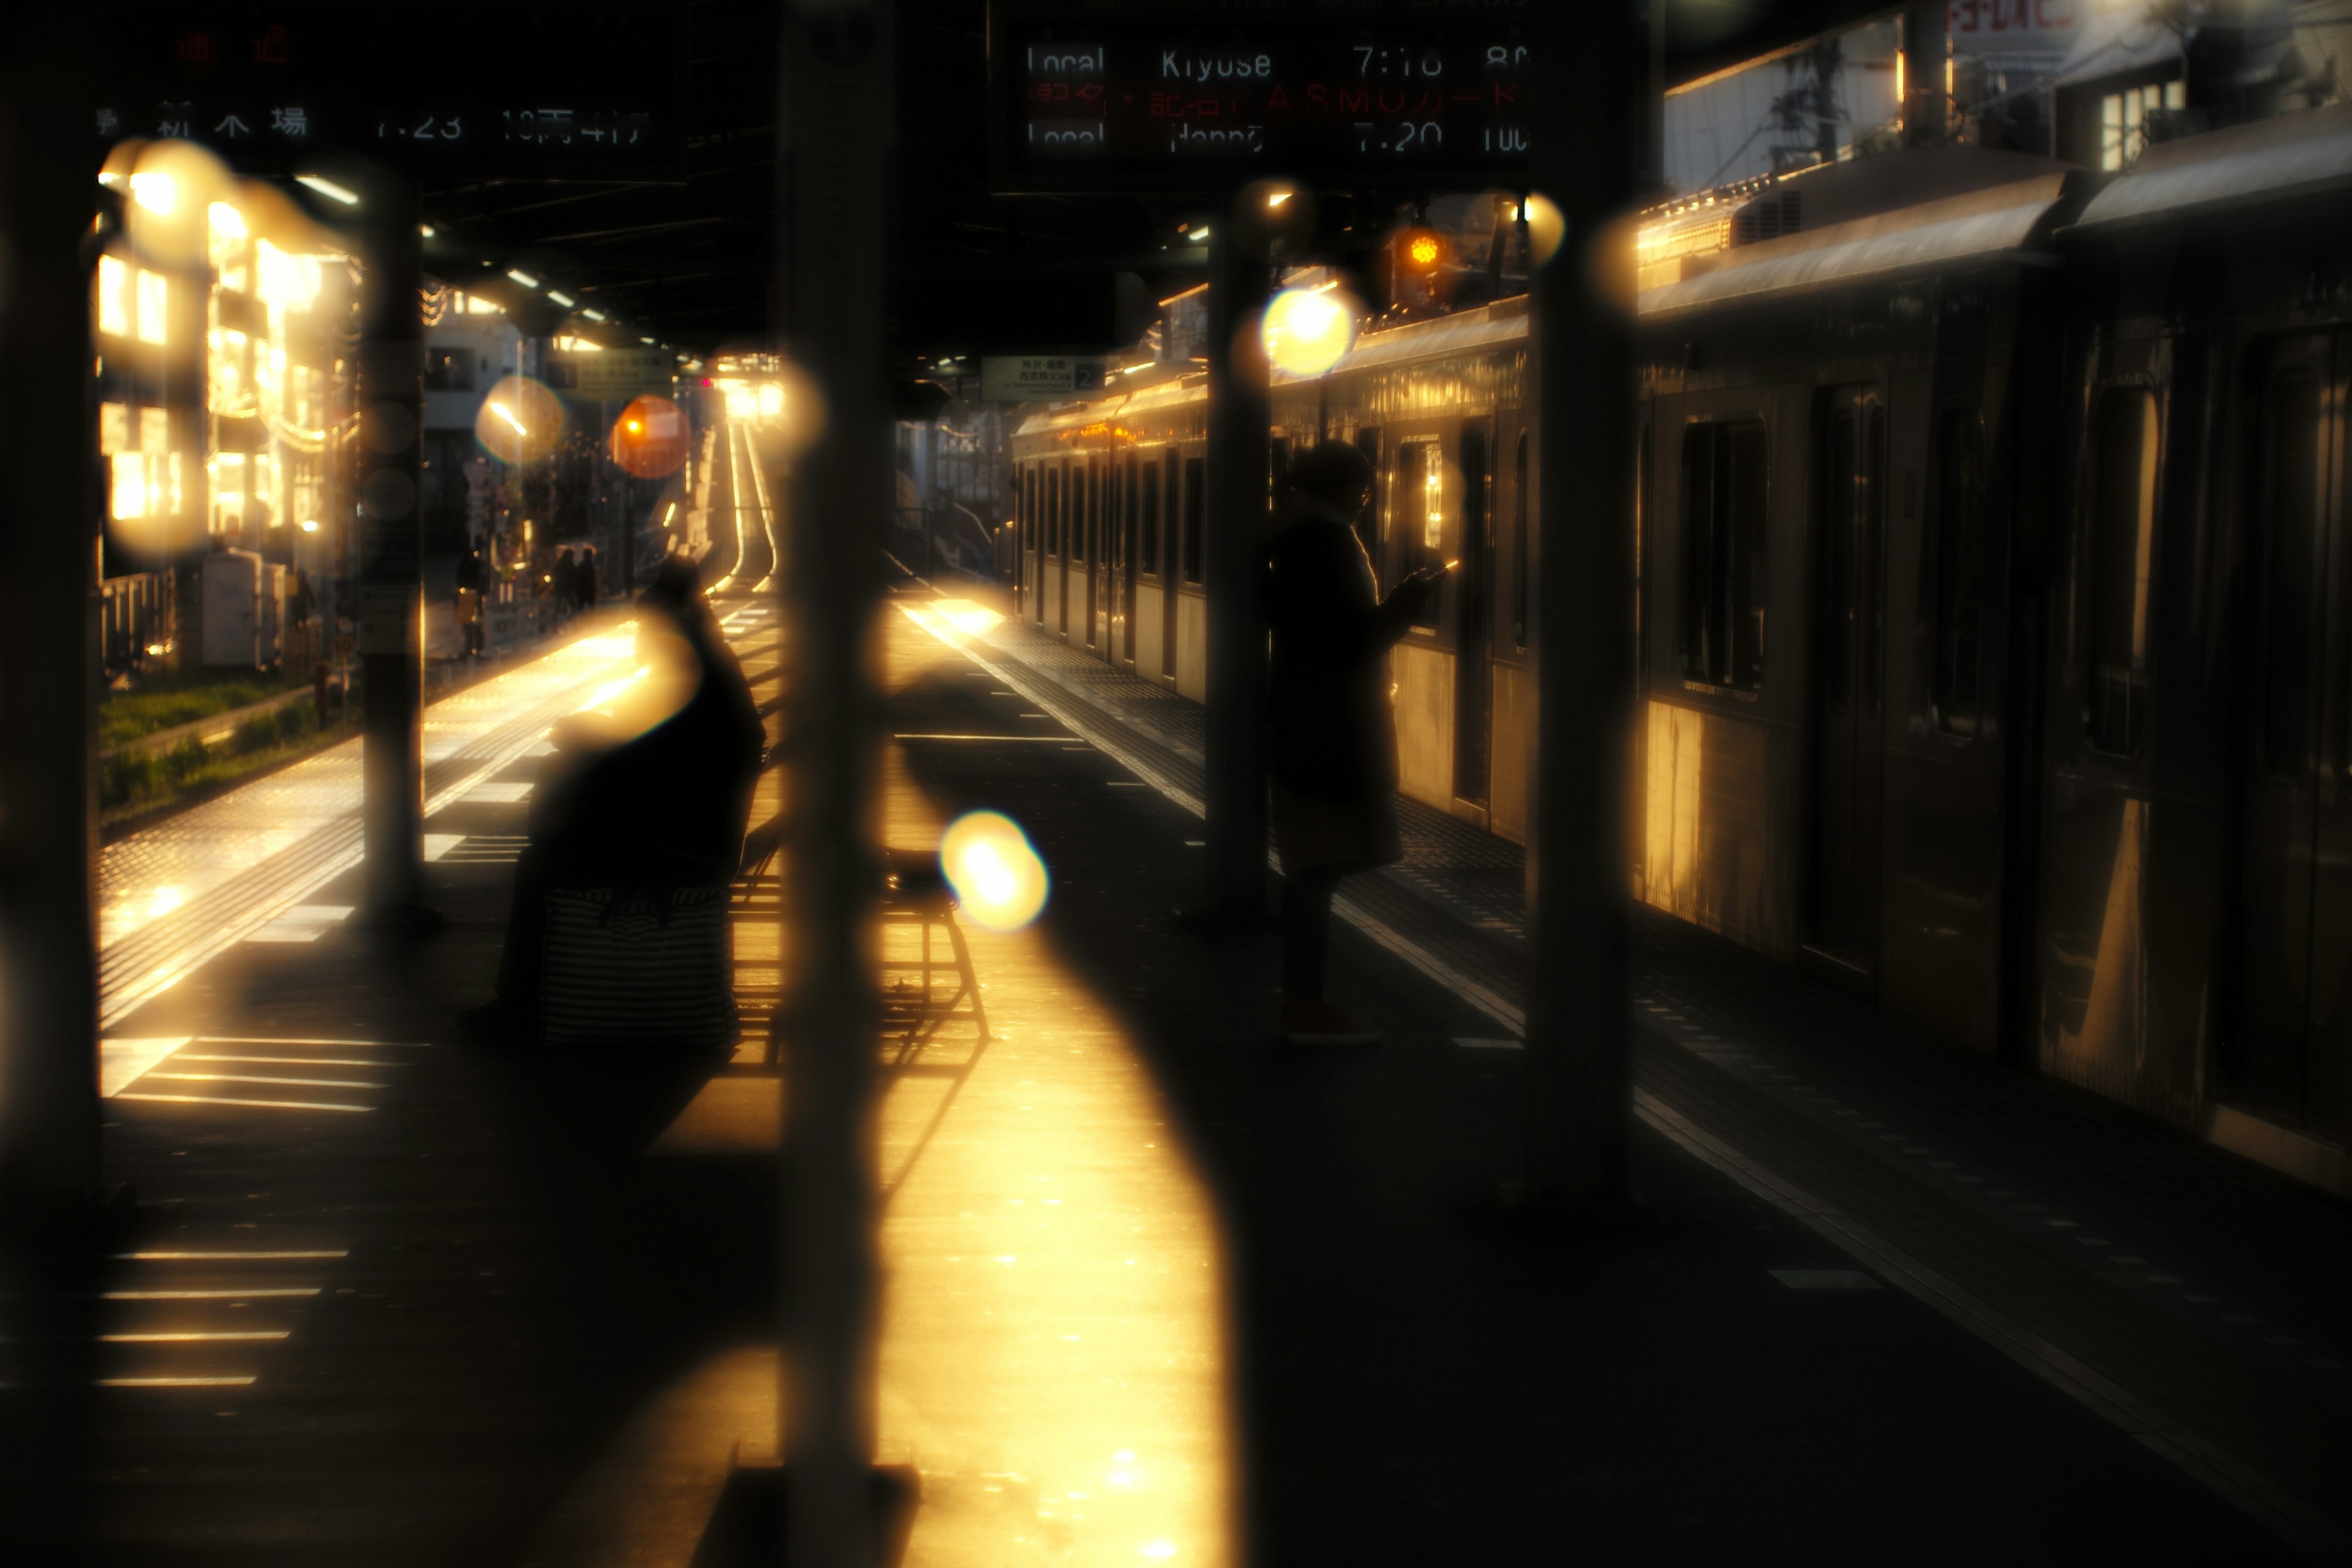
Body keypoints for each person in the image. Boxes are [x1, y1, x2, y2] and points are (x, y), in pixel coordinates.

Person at [472, 554, 765, 1041]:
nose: (637, 639)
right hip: (698, 834)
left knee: (542, 864)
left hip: (682, 849)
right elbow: (653, 747)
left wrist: (586, 742)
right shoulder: (705, 667)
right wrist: (596, 736)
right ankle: (521, 1004)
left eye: (642, 628)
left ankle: (519, 1009)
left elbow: (644, 762)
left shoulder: (686, 676)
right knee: (556, 826)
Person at [1264, 440, 1441, 1046]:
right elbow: (1346, 644)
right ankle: (1305, 1004)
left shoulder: (1295, 538)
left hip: (1308, 723)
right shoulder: (1325, 543)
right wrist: (1406, 604)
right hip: (1328, 731)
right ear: (1339, 491)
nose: (1365, 503)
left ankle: (1304, 1000)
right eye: (1362, 492)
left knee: (1319, 865)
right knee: (1318, 868)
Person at [453, 549, 486, 658]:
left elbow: (460, 580)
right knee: (469, 625)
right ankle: (471, 648)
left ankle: (474, 648)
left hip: (471, 597)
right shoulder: (474, 566)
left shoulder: (469, 566)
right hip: (470, 598)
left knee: (472, 625)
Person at [575, 545, 599, 614]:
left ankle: (580, 621)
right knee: (591, 608)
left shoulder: (581, 565)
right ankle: (588, 622)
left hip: (581, 591)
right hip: (589, 591)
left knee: (580, 607)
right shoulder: (590, 565)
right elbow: (592, 580)